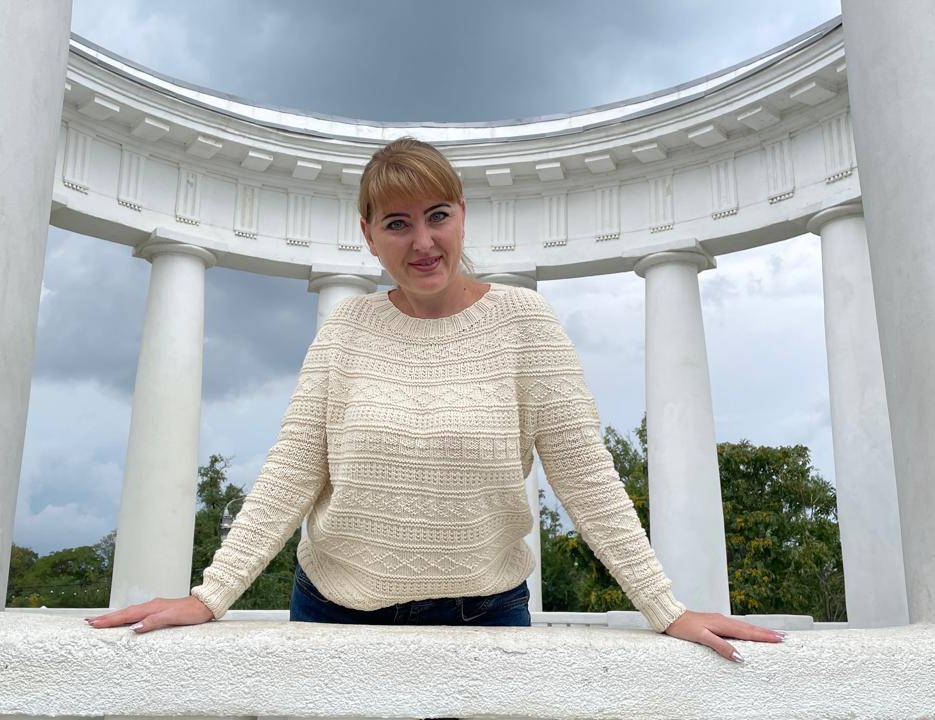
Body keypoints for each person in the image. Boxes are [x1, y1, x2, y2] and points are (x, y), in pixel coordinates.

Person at [86, 136, 785, 663]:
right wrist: (210, 596)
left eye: (437, 216)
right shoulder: (346, 331)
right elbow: (292, 472)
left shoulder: (524, 324)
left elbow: (586, 478)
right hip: (334, 617)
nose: (422, 242)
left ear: (462, 216)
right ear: (368, 236)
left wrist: (665, 608)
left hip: (484, 619)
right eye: (397, 223)